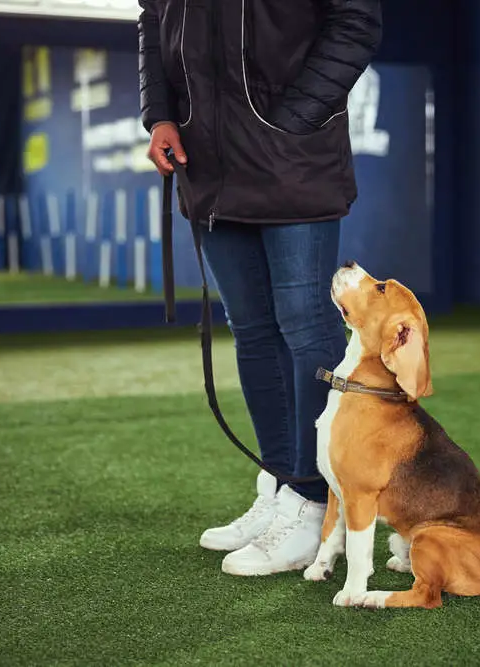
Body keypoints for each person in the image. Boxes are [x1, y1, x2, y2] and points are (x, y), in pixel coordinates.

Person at [137, 0, 383, 576]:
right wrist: (160, 116)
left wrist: (291, 121)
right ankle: (280, 485)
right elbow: (152, 21)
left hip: (291, 158)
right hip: (209, 163)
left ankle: (315, 501)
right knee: (251, 327)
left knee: (305, 326)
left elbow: (356, 21)